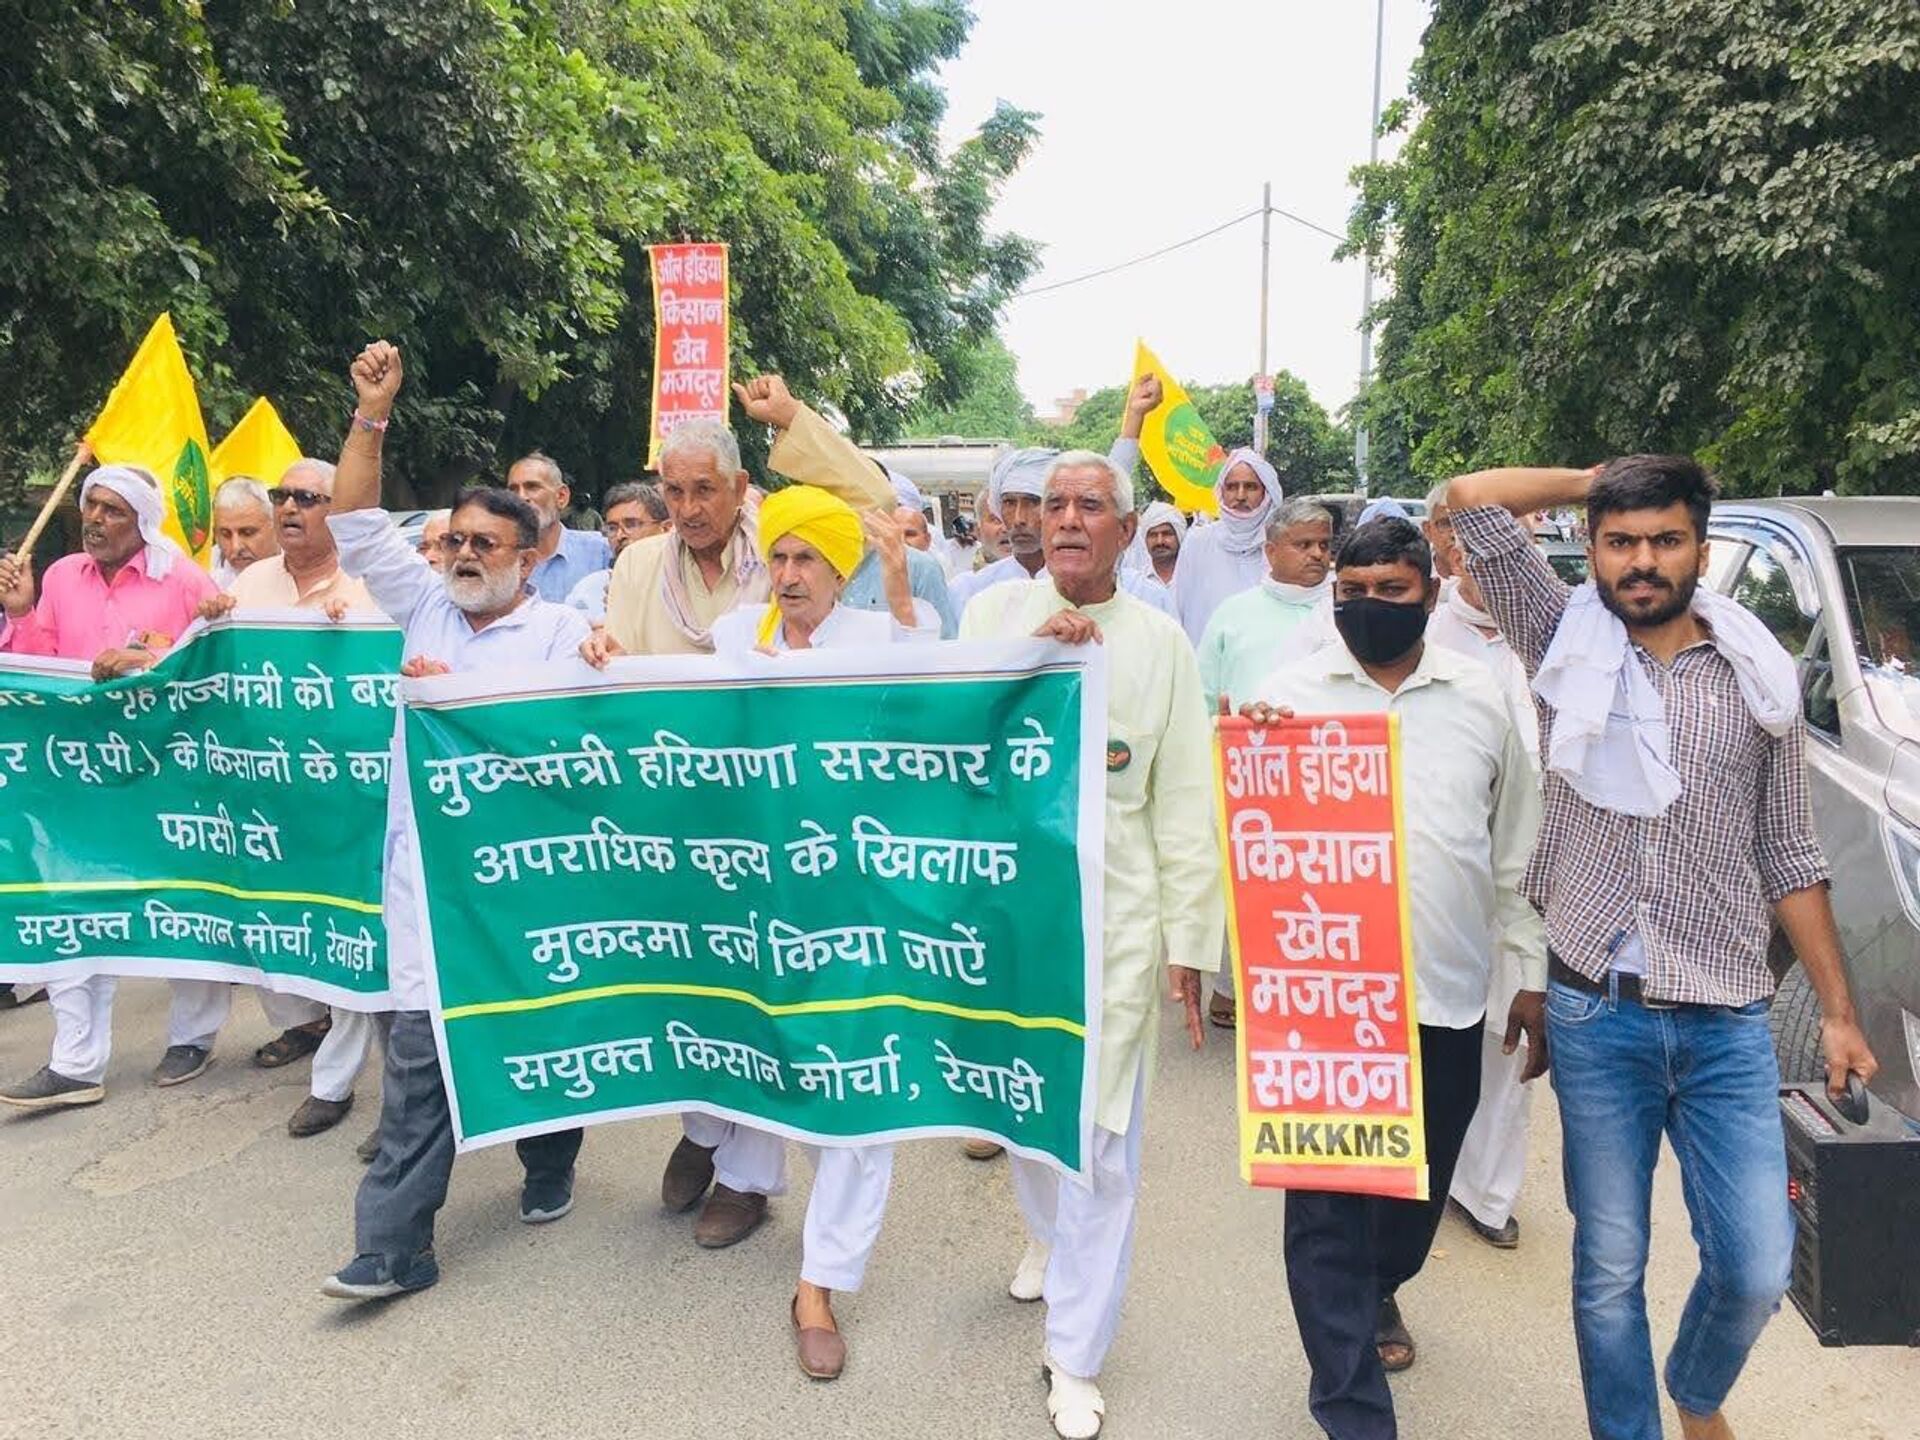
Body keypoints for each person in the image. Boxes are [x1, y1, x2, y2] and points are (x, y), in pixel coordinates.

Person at [1447, 457, 1879, 1440]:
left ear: (1699, 546)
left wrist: (1841, 1015)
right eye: (1621, 540)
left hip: (1729, 1015)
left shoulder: (1760, 677)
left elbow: (1790, 854)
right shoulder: (1559, 638)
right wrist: (1594, 475)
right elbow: (1470, 500)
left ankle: (1695, 1386)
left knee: (1758, 1263)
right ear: (1594, 548)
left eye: (1665, 540)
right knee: (1610, 1270)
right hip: (1598, 1011)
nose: (1642, 562)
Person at [1242, 516, 1545, 1440]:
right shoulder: (1285, 699)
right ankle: (1350, 1405)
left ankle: (1381, 1289)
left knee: (1414, 1195)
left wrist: (1529, 975)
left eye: (1390, 592)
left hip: (1446, 995)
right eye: (1352, 591)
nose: (1368, 608)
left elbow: (1514, 855)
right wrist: (1253, 755)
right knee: (1324, 1213)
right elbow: (1250, 835)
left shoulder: (1483, 702)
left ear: (1431, 592)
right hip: (1325, 1006)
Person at [589, 373, 892, 1248]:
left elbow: (869, 499)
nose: (686, 507)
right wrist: (601, 649)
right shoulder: (638, 563)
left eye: (703, 490)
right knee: (688, 981)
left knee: (765, 987)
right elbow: (623, 672)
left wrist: (792, 419)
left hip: (779, 823)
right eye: (672, 491)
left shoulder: (785, 544)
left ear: (739, 489)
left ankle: (748, 1179)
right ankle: (706, 1129)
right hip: (676, 816)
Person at [320, 341, 594, 1301]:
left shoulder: (563, 633)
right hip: (428, 892)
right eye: (457, 540)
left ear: (532, 559)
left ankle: (551, 1158)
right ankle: (393, 1247)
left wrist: (608, 663)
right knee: (416, 1064)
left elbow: (594, 745)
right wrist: (371, 414)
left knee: (539, 1038)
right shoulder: (424, 610)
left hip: (524, 892)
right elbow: (353, 522)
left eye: (489, 544)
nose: (468, 555)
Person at [960, 449, 1222, 1440]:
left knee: (1103, 1148)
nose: (1066, 519)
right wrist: (1036, 652)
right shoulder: (990, 620)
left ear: (1123, 528)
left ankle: (1074, 1355)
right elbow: (941, 748)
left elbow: (1184, 805)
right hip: (1002, 921)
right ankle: (1041, 1234)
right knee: (1024, 1114)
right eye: (1050, 504)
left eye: (1088, 506)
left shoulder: (1160, 644)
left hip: (1114, 930)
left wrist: (1189, 946)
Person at [688, 486, 929, 1379]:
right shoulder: (731, 639)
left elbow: (953, 706)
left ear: (841, 573)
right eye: (778, 559)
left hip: (858, 902)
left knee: (862, 1086)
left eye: (807, 563)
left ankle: (820, 1283)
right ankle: (747, 1177)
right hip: (754, 891)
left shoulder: (883, 641)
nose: (788, 577)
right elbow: (661, 709)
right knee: (755, 1046)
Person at [0, 466, 228, 1108]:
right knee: (71, 904)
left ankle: (193, 1034)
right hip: (78, 773)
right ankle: (74, 1063)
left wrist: (147, 662)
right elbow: (41, 662)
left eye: (113, 510)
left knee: (181, 901)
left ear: (143, 521)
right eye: (90, 506)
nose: (96, 520)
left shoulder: (181, 578)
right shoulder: (61, 575)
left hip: (167, 770)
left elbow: (212, 661)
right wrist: (19, 615)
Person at [198, 457, 382, 1139]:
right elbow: (212, 678)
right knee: (277, 925)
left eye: (310, 497)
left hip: (352, 801)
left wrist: (354, 637)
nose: (292, 507)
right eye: (284, 495)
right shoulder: (249, 584)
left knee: (353, 934)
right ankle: (308, 1027)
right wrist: (209, 627)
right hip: (267, 798)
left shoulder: (370, 587)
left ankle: (335, 1084)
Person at [1423, 482, 1543, 1250]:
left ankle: (1488, 1190)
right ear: (1453, 550)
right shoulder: (1422, 635)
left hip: (1535, 869)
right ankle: (1431, 1175)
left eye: (1521, 548)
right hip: (1450, 869)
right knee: (1446, 1031)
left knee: (1514, 1031)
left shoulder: (1555, 638)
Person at [951, 379, 1177, 623]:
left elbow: (1107, 487)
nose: (1018, 519)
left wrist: (1134, 418)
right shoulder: (977, 598)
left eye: (1032, 502)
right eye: (1008, 503)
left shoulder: (1117, 589)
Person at [1171, 445, 1283, 646]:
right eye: (1232, 487)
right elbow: (1177, 609)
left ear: (1266, 492)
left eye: (1250, 487)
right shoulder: (1198, 541)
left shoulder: (1279, 544)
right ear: (1221, 492)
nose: (1240, 496)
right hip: (1205, 662)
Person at [504, 450, 613, 602]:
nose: (521, 497)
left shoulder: (600, 552)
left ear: (561, 497)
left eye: (532, 487)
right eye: (513, 490)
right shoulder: (497, 558)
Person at [566, 481, 670, 621]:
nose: (620, 535)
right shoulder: (589, 588)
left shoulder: (684, 585)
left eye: (631, 524)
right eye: (612, 528)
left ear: (666, 529)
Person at [211, 476, 279, 583]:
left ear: (276, 526)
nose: (236, 547)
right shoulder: (204, 570)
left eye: (247, 533)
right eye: (225, 534)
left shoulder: (306, 569)